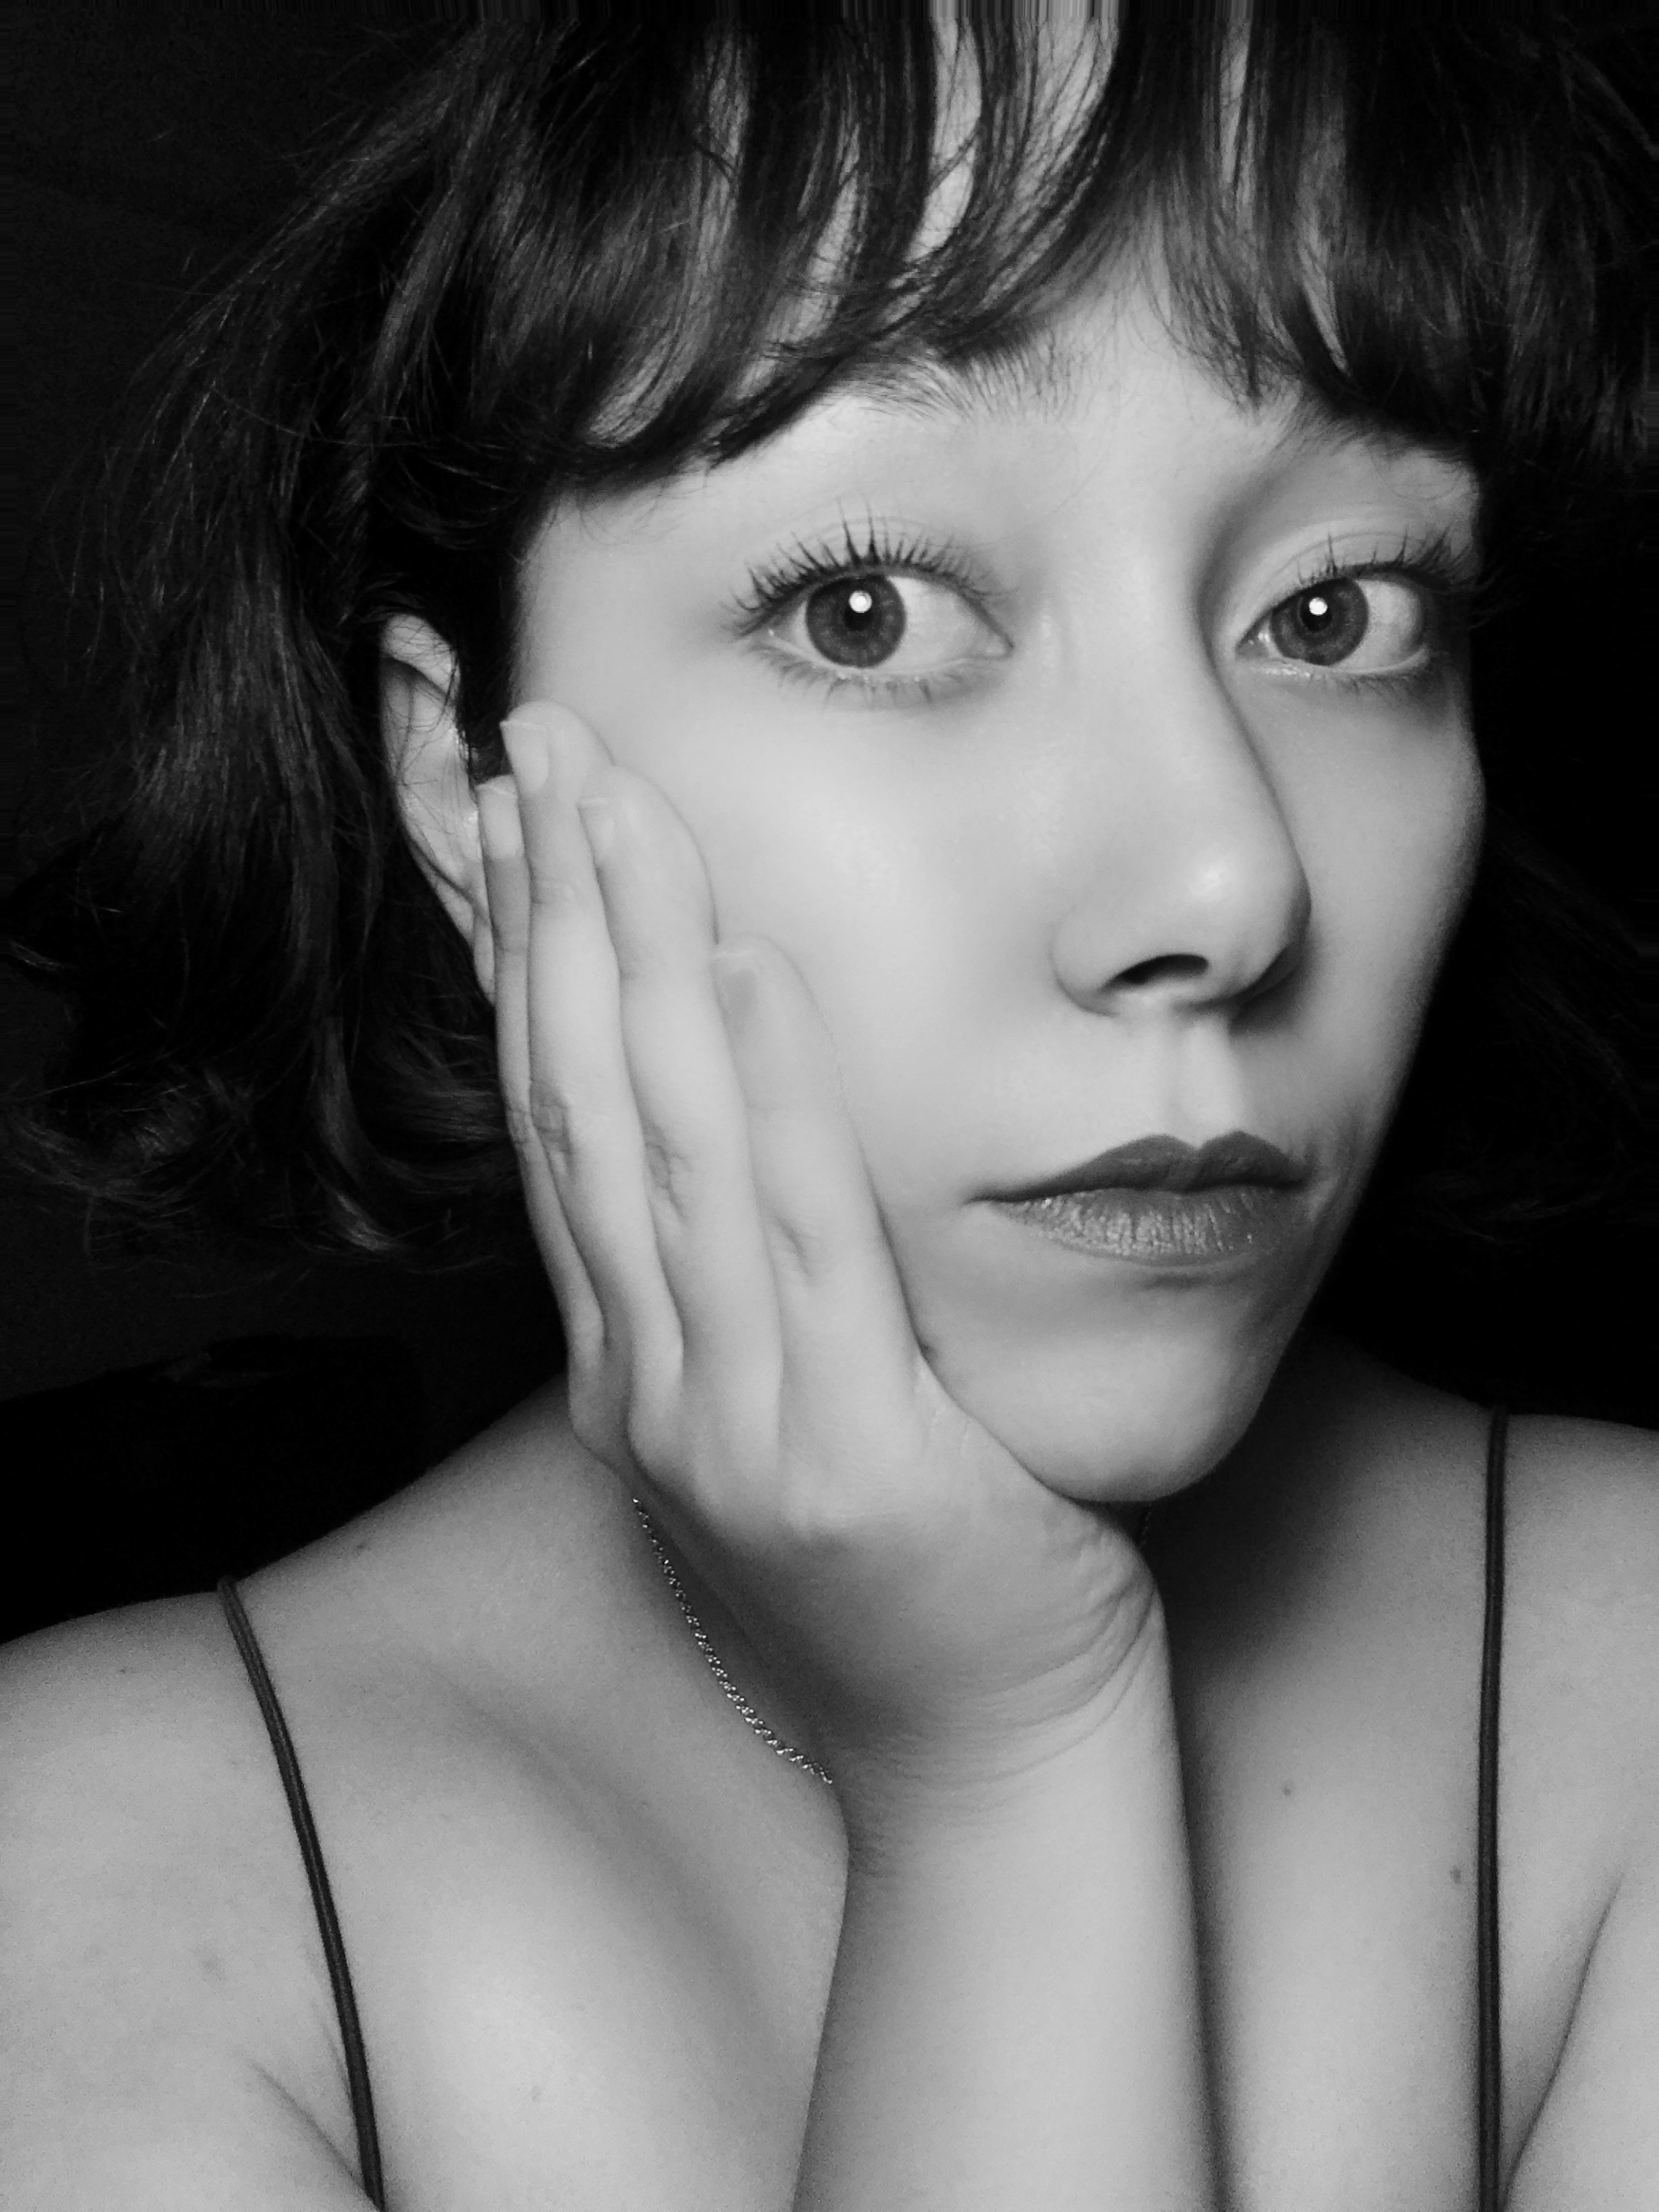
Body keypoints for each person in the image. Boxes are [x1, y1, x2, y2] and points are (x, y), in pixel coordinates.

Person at [2, 8, 1653, 2207]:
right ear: (463, 787)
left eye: (1335, 614)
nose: (1222, 883)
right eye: (869, 614)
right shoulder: (92, 1894)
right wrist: (1004, 1778)